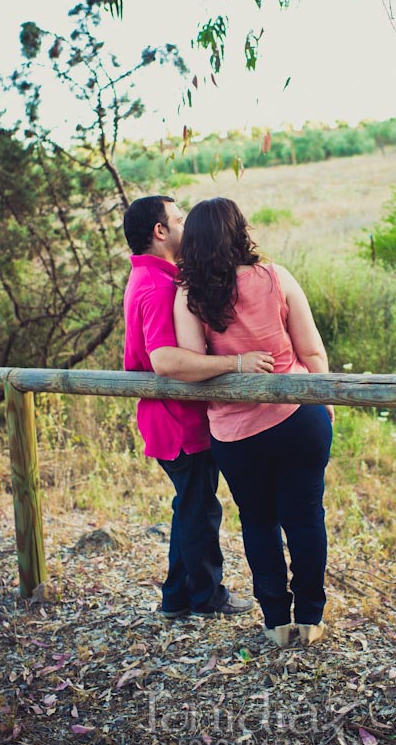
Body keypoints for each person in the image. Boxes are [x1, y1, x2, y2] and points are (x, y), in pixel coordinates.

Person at [174, 197, 334, 648]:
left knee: (259, 522)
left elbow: (189, 363)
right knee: (305, 518)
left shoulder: (190, 297)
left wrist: (232, 362)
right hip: (298, 417)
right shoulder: (276, 276)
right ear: (240, 232)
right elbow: (313, 352)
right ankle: (311, 618)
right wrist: (324, 401)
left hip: (236, 434)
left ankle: (276, 623)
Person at [123, 195, 275, 620]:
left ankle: (176, 598)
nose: (185, 227)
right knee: (200, 511)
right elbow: (164, 361)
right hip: (178, 421)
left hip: (171, 418)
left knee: (191, 508)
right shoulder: (156, 286)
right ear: (160, 231)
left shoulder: (149, 277)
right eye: (177, 220)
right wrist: (237, 363)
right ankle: (208, 598)